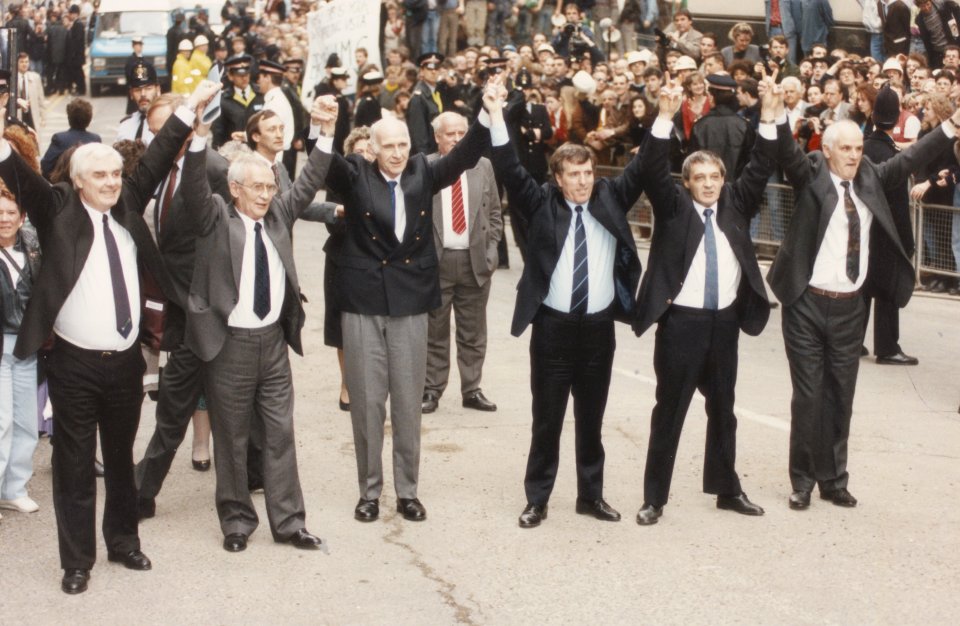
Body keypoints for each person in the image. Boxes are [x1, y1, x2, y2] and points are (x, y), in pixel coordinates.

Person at [0, 78, 218, 595]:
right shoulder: (56, 211)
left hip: (125, 362)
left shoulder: (127, 205)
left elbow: (163, 151)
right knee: (74, 467)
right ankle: (77, 561)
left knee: (122, 460)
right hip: (73, 364)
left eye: (116, 173)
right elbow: (20, 175)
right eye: (99, 175)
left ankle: (124, 541)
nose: (112, 181)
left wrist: (191, 108)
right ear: (78, 182)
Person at [769, 89, 960, 512]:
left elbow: (910, 160)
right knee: (808, 395)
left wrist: (952, 126)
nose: (855, 156)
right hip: (806, 303)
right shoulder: (813, 173)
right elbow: (786, 151)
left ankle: (833, 479)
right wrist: (774, 114)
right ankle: (801, 480)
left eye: (859, 148)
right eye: (847, 149)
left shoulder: (872, 176)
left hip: (850, 306)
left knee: (841, 393)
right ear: (830, 151)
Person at [319, 77, 492, 525]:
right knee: (368, 402)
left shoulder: (422, 172)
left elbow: (466, 154)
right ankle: (369, 492)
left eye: (402, 145)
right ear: (371, 149)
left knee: (408, 404)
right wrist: (324, 127)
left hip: (412, 303)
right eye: (387, 146)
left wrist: (488, 109)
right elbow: (324, 166)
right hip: (362, 304)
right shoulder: (355, 174)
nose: (396, 153)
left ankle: (408, 492)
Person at [482, 77, 645, 529]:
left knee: (592, 420)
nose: (583, 182)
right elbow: (509, 168)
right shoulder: (541, 204)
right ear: (557, 178)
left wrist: (664, 117)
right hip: (552, 329)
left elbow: (643, 166)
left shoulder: (610, 198)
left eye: (588, 173)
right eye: (573, 174)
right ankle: (538, 499)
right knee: (547, 420)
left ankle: (590, 497)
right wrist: (497, 114)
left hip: (597, 331)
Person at [177, 94, 335, 553]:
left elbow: (309, 182)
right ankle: (237, 522)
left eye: (270, 187)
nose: (267, 195)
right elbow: (191, 186)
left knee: (280, 434)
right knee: (231, 436)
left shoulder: (280, 215)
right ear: (235, 190)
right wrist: (199, 134)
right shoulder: (214, 220)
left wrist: (324, 133)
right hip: (229, 345)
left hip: (272, 344)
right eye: (257, 188)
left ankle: (289, 522)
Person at [633, 79, 781, 526]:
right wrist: (664, 115)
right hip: (681, 324)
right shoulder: (674, 207)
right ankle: (654, 498)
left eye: (715, 176)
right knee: (670, 411)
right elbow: (651, 166)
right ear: (687, 183)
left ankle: (726, 489)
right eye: (699, 178)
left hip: (724, 324)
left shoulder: (736, 202)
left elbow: (762, 163)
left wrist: (770, 114)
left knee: (724, 410)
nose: (709, 184)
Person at [133, 92, 232, 520]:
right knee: (188, 400)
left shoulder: (213, 169)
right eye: (154, 132)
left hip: (210, 311)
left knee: (187, 401)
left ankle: (143, 490)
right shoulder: (155, 175)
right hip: (177, 304)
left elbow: (232, 239)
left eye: (165, 130)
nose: (158, 140)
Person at [421, 112, 502, 415]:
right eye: (450, 133)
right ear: (437, 137)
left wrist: (491, 252)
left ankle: (472, 389)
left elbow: (494, 213)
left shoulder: (483, 167)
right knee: (435, 330)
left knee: (473, 332)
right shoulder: (426, 167)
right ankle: (431, 388)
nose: (457, 139)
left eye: (462, 133)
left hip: (474, 261)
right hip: (437, 263)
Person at [861, 85, 920, 366]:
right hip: (886, 231)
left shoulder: (861, 148)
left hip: (862, 227)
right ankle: (886, 347)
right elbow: (898, 206)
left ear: (873, 116)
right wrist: (907, 241)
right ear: (897, 118)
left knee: (861, 285)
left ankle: (852, 341)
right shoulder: (892, 156)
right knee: (887, 290)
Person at [0, 182, 41, 518]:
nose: (4, 219)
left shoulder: (32, 245)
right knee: (1, 421)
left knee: (26, 420)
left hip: (26, 344)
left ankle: (15, 488)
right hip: (1, 344)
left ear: (22, 216)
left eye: (11, 212)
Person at [39, 97, 100, 179]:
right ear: (89, 120)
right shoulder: (95, 139)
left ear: (69, 118)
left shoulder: (60, 139)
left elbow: (46, 166)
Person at [213, 54, 264, 149]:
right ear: (231, 76)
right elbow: (218, 132)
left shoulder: (260, 95)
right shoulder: (224, 100)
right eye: (239, 75)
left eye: (247, 74)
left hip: (258, 149)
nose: (244, 78)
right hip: (235, 151)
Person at [407, 52, 445, 155]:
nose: (433, 72)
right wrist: (425, 159)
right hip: (427, 154)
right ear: (422, 71)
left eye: (436, 68)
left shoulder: (436, 91)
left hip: (436, 151)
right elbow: (419, 135)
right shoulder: (418, 97)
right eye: (429, 68)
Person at [116, 61, 160, 146]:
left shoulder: (167, 123)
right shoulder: (125, 126)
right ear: (131, 94)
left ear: (157, 89)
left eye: (148, 88)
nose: (143, 94)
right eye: (137, 90)